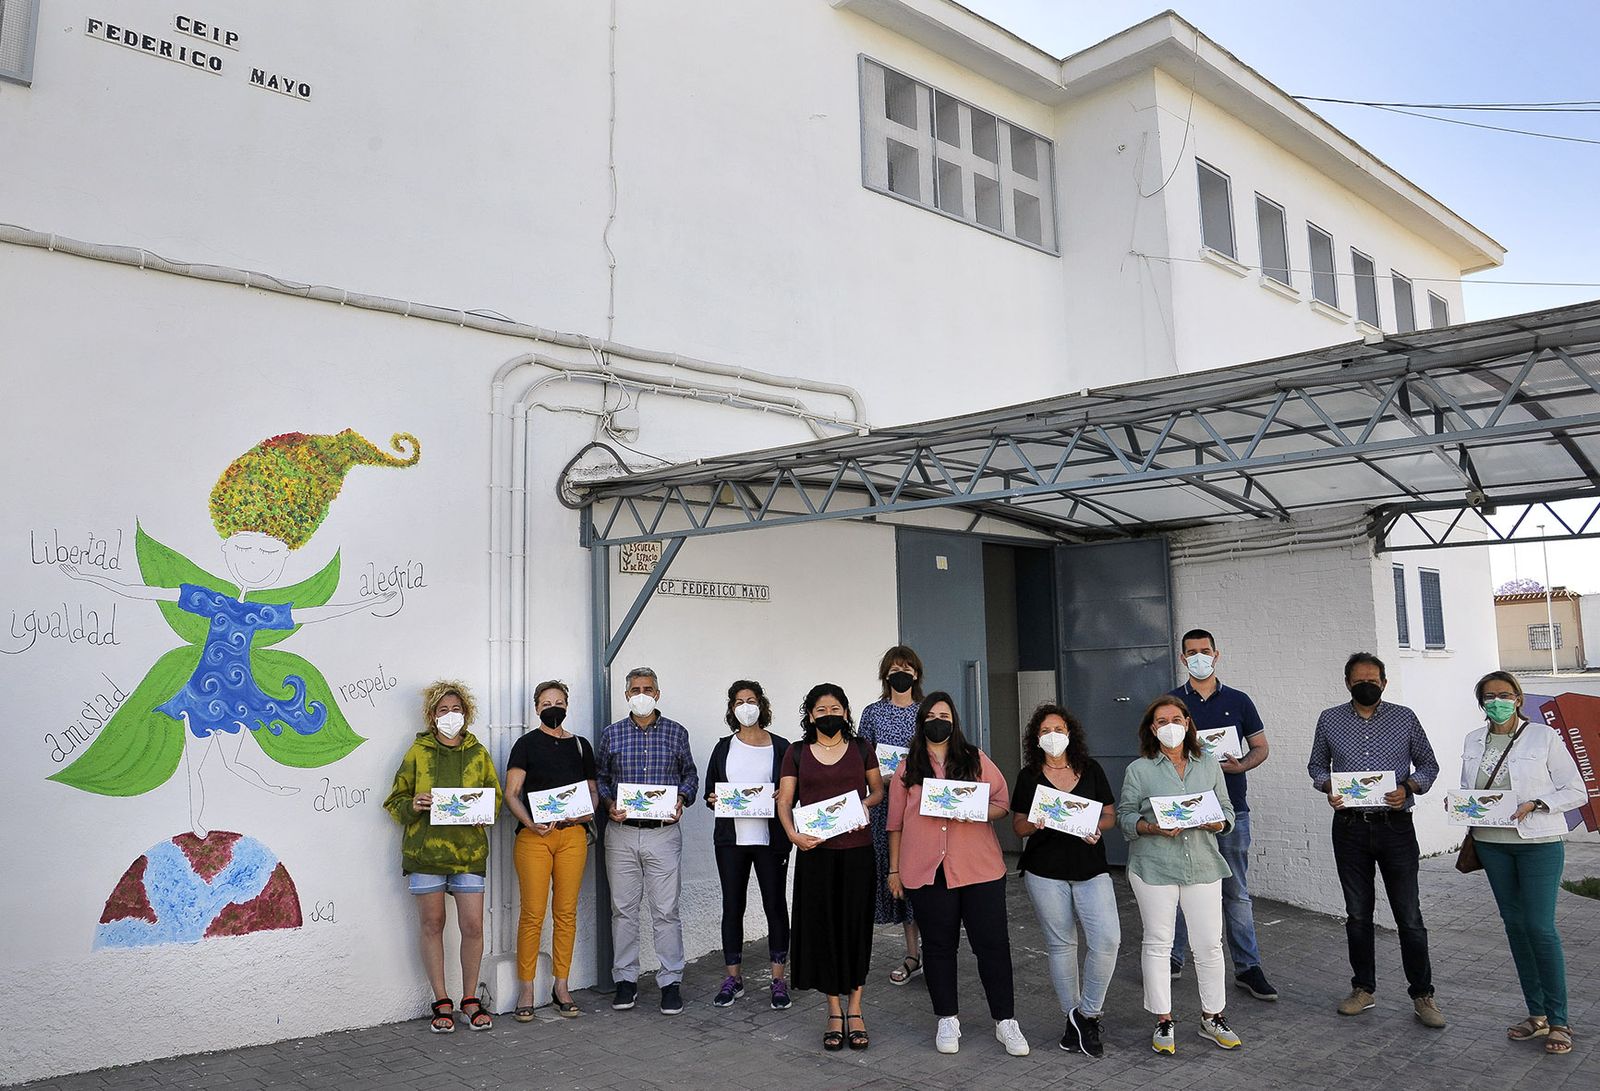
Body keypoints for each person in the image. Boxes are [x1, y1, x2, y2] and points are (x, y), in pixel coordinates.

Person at [1308, 652, 1444, 1028]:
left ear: (1384, 682)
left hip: (1396, 826)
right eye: (1358, 680)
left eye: (1373, 679)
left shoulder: (1404, 717)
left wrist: (1409, 787)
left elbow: (1429, 764)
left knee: (1410, 916)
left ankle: (1423, 995)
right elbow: (1316, 766)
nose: (1366, 684)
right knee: (1357, 914)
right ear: (1347, 682)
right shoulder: (1330, 719)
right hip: (1349, 827)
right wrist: (1328, 786)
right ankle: (1363, 989)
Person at [889, 693, 1029, 1057]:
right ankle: (947, 1019)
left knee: (992, 945)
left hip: (979, 869)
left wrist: (977, 811)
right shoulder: (907, 769)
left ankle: (1005, 1021)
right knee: (938, 947)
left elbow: (1001, 803)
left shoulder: (975, 759)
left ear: (955, 721)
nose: (938, 721)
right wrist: (894, 869)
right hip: (927, 871)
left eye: (945, 715)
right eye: (931, 715)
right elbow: (895, 825)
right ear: (921, 722)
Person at [1457, 671, 1585, 1056]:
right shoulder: (1473, 740)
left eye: (1504, 694)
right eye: (1489, 696)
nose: (1497, 701)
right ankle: (1537, 1015)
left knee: (1539, 928)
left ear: (1518, 697)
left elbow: (1575, 789)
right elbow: (1472, 790)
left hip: (1538, 842)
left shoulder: (1543, 737)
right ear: (1481, 702)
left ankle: (1559, 1019)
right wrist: (1461, 805)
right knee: (1514, 926)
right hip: (1491, 845)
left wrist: (1536, 804)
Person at [1117, 696, 1241, 1055]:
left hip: (1202, 862)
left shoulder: (1208, 765)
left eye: (1175, 718)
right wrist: (1151, 827)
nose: (1169, 725)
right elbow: (1126, 817)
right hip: (1154, 864)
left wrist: (1218, 821)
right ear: (1152, 729)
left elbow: (1227, 810)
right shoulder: (1139, 770)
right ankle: (1163, 1020)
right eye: (1160, 721)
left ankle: (1212, 1016)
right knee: (1158, 942)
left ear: (1187, 723)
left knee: (1209, 944)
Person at [383, 679, 502, 1033]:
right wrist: (413, 804)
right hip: (425, 854)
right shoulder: (417, 753)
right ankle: (441, 1000)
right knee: (433, 925)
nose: (451, 716)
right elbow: (395, 801)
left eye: (456, 710)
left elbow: (494, 799)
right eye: (443, 710)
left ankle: (469, 999)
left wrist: (485, 811)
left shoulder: (479, 754)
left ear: (467, 713)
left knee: (473, 927)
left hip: (469, 854)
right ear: (432, 716)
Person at [1168, 628, 1277, 1001]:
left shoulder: (1239, 700)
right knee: (1180, 887)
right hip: (1186, 814)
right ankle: (1173, 958)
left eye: (1205, 651)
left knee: (1236, 892)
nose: (1199, 657)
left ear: (1217, 654)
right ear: (1183, 659)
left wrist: (1241, 765)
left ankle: (1248, 967)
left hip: (1232, 810)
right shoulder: (1171, 704)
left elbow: (1260, 747)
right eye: (1191, 652)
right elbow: (1157, 753)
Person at [777, 683, 884, 1052]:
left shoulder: (860, 748)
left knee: (854, 928)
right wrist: (793, 835)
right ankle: (833, 1011)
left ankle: (856, 1009)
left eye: (835, 708)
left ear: (845, 712)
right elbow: (786, 800)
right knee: (824, 930)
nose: (829, 715)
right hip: (815, 853)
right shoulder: (796, 753)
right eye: (821, 710)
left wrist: (864, 808)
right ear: (810, 716)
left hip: (857, 851)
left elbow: (877, 791)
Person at [1011, 703, 1119, 1056]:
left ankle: (1088, 1014)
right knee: (1062, 945)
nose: (1052, 736)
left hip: (1090, 867)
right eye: (1045, 731)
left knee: (1107, 940)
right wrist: (1036, 823)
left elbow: (1108, 816)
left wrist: (1094, 826)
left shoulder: (1091, 770)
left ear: (1070, 733)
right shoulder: (1029, 776)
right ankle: (1071, 1017)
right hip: (1045, 870)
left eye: (1058, 729)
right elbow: (1018, 826)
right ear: (1036, 738)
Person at [596, 667, 699, 1016]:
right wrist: (609, 805)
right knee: (623, 910)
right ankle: (626, 980)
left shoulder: (676, 732)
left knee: (666, 912)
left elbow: (690, 775)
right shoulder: (612, 735)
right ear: (627, 695)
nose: (642, 693)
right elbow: (602, 777)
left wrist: (682, 799)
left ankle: (670, 981)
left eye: (648, 688)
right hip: (622, 834)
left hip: (663, 834)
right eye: (636, 689)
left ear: (657, 693)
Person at [504, 679, 596, 1021]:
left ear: (567, 705)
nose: (552, 706)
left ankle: (561, 985)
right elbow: (511, 793)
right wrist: (530, 823)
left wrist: (585, 812)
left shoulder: (582, 746)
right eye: (546, 702)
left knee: (566, 913)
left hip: (572, 836)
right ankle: (526, 988)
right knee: (532, 914)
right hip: (534, 839)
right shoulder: (526, 744)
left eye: (558, 701)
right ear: (536, 707)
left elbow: (592, 792)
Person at [702, 680, 794, 1010]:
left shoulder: (782, 748)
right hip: (731, 841)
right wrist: (714, 798)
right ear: (732, 708)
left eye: (751, 700)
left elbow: (795, 790)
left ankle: (778, 979)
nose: (746, 706)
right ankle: (733, 978)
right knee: (733, 906)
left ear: (762, 705)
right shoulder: (723, 747)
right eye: (739, 701)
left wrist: (783, 796)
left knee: (775, 905)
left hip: (771, 841)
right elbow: (710, 792)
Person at [857, 644, 925, 986]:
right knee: (893, 878)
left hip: (920, 809)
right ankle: (912, 953)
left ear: (917, 674)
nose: (902, 674)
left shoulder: (927, 712)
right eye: (895, 669)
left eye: (908, 669)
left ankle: (931, 951)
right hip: (883, 807)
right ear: (886, 675)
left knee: (919, 876)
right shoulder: (872, 713)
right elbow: (860, 759)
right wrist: (878, 778)